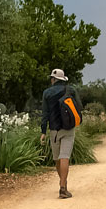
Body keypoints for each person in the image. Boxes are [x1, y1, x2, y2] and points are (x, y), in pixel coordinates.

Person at [40, 68, 82, 199]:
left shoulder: (46, 93)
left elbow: (45, 114)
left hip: (54, 130)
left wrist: (43, 131)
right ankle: (63, 187)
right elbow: (79, 106)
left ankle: (63, 183)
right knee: (65, 157)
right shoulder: (71, 90)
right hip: (68, 128)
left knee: (57, 158)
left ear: (53, 79)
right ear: (63, 79)